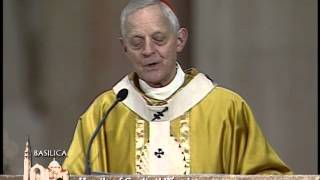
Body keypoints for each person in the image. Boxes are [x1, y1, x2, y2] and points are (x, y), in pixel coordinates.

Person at [63, 0, 292, 175]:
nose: (148, 50)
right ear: (124, 47)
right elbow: (73, 174)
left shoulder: (225, 109)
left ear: (180, 40)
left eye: (159, 39)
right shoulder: (104, 113)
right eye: (136, 42)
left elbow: (266, 174)